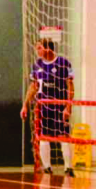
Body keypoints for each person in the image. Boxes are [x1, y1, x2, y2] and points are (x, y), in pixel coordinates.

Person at [21, 35, 75, 176]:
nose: (37, 51)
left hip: (60, 107)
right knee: (44, 136)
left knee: (63, 136)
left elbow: (70, 86)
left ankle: (68, 169)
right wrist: (25, 105)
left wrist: (68, 107)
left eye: (39, 48)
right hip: (44, 107)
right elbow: (33, 86)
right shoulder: (37, 65)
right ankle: (47, 168)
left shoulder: (63, 63)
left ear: (48, 49)